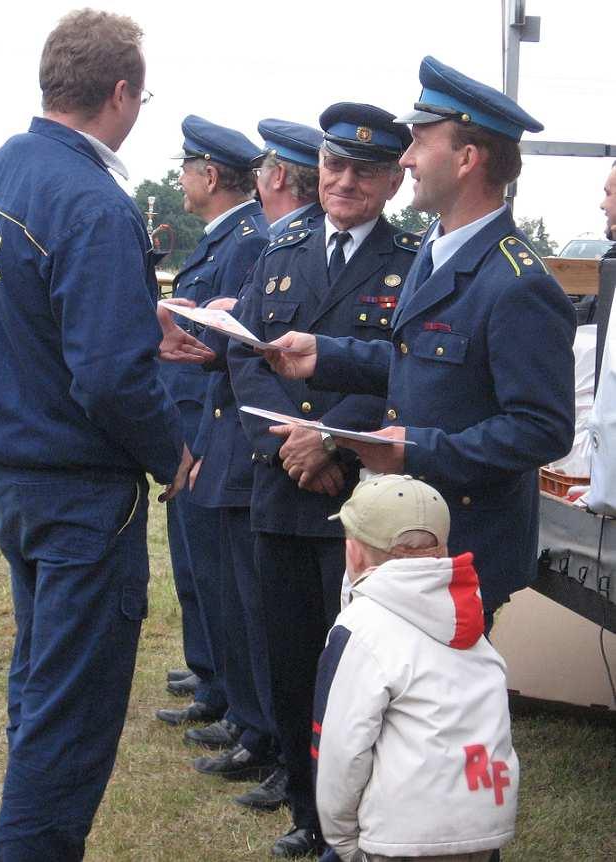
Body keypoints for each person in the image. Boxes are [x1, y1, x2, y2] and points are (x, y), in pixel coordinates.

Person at [0, 10, 192, 860]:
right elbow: (109, 379)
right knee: (72, 714)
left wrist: (138, 316)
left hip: (14, 478)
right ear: (121, 92)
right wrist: (176, 454)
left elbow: (24, 313)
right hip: (81, 493)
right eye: (144, 94)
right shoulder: (94, 201)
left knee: (40, 683)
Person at [266, 56, 576, 637]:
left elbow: (542, 428)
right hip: (406, 534)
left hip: (461, 545)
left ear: (466, 158)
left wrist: (417, 450)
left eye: (418, 143)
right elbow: (425, 366)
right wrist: (326, 354)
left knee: (434, 719)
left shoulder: (518, 283)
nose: (404, 159)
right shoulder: (440, 250)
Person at [228, 102, 419, 858]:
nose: (344, 182)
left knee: (359, 666)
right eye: (334, 166)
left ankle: (359, 811)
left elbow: (409, 372)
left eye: (364, 171)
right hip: (282, 484)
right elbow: (246, 352)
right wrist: (287, 445)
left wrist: (327, 440)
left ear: (391, 183)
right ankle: (307, 813)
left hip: (358, 494)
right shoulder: (282, 246)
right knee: (288, 654)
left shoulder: (414, 260)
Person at [186, 120, 326, 810]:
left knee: (268, 617)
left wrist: (297, 442)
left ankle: (271, 736)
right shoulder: (269, 244)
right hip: (248, 444)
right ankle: (257, 726)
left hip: (275, 458)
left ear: (274, 178)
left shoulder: (273, 245)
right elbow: (251, 349)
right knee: (242, 605)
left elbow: (286, 355)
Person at [314, 474, 518, 862]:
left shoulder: (361, 629)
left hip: (402, 837)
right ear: (442, 550)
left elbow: (342, 749)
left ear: (353, 553)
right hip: (486, 824)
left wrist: (341, 840)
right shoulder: (469, 614)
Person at [155, 115, 269, 728]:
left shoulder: (245, 240)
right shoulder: (223, 237)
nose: (179, 179)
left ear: (211, 174)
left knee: (218, 572)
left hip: (208, 420)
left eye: (185, 168)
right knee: (195, 561)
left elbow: (224, 346)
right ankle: (210, 670)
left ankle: (224, 688)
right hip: (191, 417)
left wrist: (196, 439)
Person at [254, 118, 325, 238]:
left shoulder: (295, 243)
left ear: (278, 175)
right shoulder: (325, 232)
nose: (256, 183)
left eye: (259, 172)